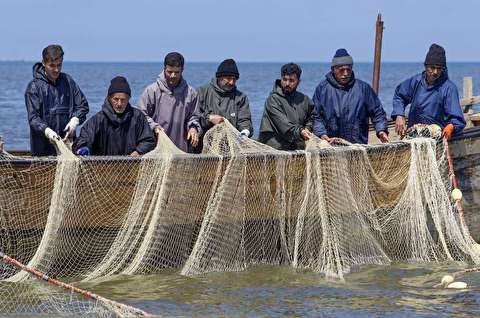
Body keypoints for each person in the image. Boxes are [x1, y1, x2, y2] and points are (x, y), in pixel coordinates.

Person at [312, 49, 389, 144]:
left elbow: (377, 112)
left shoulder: (363, 88)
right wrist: (321, 134)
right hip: (329, 145)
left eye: (348, 69)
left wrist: (381, 130)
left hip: (357, 146)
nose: (345, 74)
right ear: (333, 69)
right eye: (341, 70)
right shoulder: (322, 89)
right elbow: (315, 116)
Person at [392, 43, 466, 140]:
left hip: (437, 138)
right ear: (425, 66)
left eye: (439, 68)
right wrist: (399, 114)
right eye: (432, 68)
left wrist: (451, 127)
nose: (435, 72)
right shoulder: (416, 82)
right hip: (414, 135)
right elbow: (399, 96)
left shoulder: (449, 88)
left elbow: (457, 119)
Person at [25, 44, 89, 156]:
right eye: (52, 65)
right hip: (43, 151)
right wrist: (47, 131)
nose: (56, 69)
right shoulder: (34, 87)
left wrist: (75, 120)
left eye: (59, 65)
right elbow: (33, 118)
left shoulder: (68, 82)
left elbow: (82, 105)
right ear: (43, 63)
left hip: (67, 146)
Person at [74, 76, 155, 156]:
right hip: (102, 166)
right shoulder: (98, 119)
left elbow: (149, 140)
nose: (119, 104)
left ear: (129, 99)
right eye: (116, 99)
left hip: (131, 164)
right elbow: (84, 138)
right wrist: (84, 147)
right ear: (109, 98)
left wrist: (138, 151)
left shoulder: (138, 117)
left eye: (123, 100)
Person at [137, 52, 201, 152]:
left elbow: (194, 116)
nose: (172, 75)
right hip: (155, 148)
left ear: (182, 70)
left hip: (181, 149)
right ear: (164, 69)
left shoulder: (191, 93)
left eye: (177, 72)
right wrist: (154, 126)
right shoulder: (151, 91)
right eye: (169, 72)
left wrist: (193, 128)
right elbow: (141, 115)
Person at [258, 63, 314, 150]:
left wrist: (308, 128)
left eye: (291, 80)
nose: (287, 83)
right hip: (273, 149)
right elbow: (284, 125)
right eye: (284, 79)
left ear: (298, 82)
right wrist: (300, 131)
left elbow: (312, 117)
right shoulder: (272, 100)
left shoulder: (305, 100)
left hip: (296, 147)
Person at [197, 59, 253, 138]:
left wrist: (245, 131)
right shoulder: (201, 92)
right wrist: (209, 118)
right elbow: (192, 116)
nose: (231, 82)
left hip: (231, 143)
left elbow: (244, 120)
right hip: (204, 142)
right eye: (229, 78)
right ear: (219, 77)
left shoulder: (241, 97)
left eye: (234, 79)